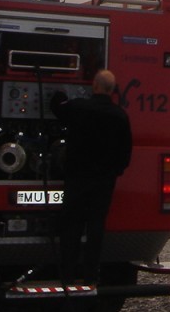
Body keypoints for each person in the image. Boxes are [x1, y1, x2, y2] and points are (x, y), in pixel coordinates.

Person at [51, 69, 132, 286]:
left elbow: (57, 108)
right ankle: (91, 276)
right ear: (113, 90)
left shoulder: (78, 108)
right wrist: (114, 172)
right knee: (96, 228)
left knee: (72, 227)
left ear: (94, 86)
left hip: (77, 178)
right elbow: (125, 154)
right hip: (104, 182)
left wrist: (58, 93)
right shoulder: (120, 116)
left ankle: (67, 275)